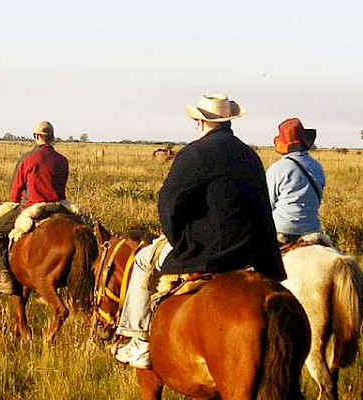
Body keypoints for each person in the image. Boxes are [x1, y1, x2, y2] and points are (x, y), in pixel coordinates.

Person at [113, 94, 285, 369]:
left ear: (201, 121)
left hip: (208, 251)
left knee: (144, 259)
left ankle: (139, 341)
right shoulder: (250, 155)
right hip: (253, 252)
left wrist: (178, 239)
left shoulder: (195, 153)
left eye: (196, 120)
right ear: (228, 121)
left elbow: (168, 203)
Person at [0, 120, 69, 296]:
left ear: (36, 136)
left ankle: (5, 279)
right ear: (52, 138)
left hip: (34, 207)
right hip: (60, 207)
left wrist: (14, 203)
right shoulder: (63, 161)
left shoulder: (28, 159)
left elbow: (15, 189)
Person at [266, 117, 327, 245]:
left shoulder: (277, 169)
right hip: (312, 230)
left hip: (282, 231)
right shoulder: (317, 167)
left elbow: (267, 204)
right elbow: (317, 199)